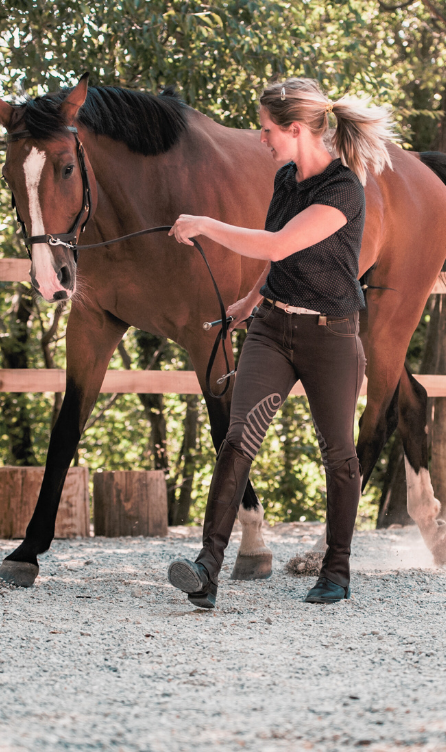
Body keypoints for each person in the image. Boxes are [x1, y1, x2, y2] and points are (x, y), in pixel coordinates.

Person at [165, 78, 396, 608]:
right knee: (238, 439)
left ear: (295, 130)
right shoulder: (286, 179)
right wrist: (251, 300)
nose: (261, 138)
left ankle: (336, 571)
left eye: (267, 130)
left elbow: (279, 241)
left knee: (339, 454)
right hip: (271, 328)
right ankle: (207, 569)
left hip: (330, 337)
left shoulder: (343, 189)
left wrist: (204, 223)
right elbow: (280, 260)